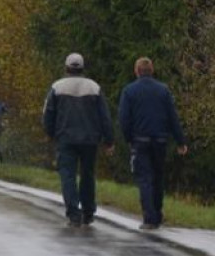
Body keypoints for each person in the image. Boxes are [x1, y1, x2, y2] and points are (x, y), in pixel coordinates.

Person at [43, 53, 114, 226]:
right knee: (88, 175)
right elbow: (104, 116)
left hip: (65, 139)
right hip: (89, 139)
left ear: (66, 68)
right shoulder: (94, 87)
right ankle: (88, 212)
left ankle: (74, 214)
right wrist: (109, 140)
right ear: (82, 68)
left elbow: (48, 114)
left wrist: (51, 134)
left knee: (67, 176)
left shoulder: (57, 87)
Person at [118, 57, 188, 230]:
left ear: (136, 71)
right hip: (160, 140)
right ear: (152, 70)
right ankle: (157, 212)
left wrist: (128, 139)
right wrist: (180, 141)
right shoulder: (163, 90)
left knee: (145, 179)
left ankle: (150, 217)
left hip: (140, 141)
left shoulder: (129, 91)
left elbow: (124, 118)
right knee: (158, 177)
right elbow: (173, 117)